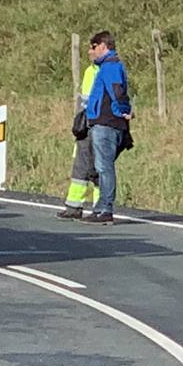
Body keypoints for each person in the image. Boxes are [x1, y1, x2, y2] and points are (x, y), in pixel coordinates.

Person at [82, 30, 132, 225]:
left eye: (93, 47)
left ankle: (105, 208)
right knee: (101, 167)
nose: (91, 51)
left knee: (104, 167)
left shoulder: (110, 66)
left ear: (103, 46)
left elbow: (117, 92)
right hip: (103, 122)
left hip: (107, 123)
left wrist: (124, 110)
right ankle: (101, 208)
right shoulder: (106, 66)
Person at [57, 60, 100, 220]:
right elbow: (84, 100)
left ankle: (100, 208)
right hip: (85, 124)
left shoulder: (107, 70)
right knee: (80, 167)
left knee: (99, 168)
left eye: (93, 47)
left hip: (99, 125)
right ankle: (74, 206)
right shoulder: (90, 70)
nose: (90, 52)